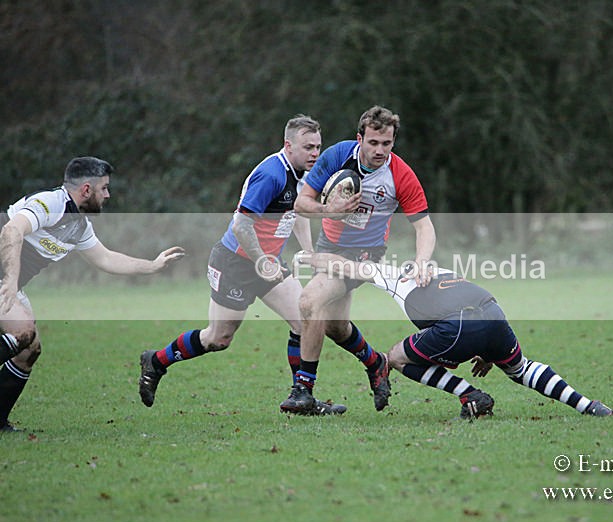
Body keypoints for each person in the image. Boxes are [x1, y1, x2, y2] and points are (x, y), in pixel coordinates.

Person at [136, 115, 346, 416]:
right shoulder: (271, 175)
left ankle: (302, 397)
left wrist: (309, 253)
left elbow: (298, 211)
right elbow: (241, 225)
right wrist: (261, 260)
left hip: (267, 263)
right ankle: (156, 361)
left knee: (305, 321)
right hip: (235, 262)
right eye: (308, 147)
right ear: (288, 146)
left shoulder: (304, 174)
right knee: (218, 338)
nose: (315, 153)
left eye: (317, 147)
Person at [293, 251, 613, 419]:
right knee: (521, 369)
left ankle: (470, 395)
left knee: (396, 357)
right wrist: (485, 348)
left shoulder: (394, 275)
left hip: (457, 326)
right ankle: (589, 406)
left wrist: (307, 257)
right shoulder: (446, 273)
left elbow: (343, 265)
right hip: (494, 314)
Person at [0, 156, 185, 432]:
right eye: (104, 188)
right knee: (22, 332)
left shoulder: (79, 225)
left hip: (8, 283)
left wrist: (153, 266)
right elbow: (11, 230)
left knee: (29, 350)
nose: (108, 195)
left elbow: (106, 259)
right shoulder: (52, 203)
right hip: (4, 280)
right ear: (86, 189)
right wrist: (9, 281)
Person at [282, 106, 436, 414]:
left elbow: (424, 226)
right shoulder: (338, 156)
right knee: (335, 326)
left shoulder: (399, 174)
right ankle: (376, 362)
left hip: (366, 254)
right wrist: (328, 210)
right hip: (329, 246)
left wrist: (421, 261)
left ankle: (303, 390)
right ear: (359, 139)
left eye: (387, 143)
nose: (380, 150)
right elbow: (301, 203)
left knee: (310, 301)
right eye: (373, 142)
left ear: (393, 141)